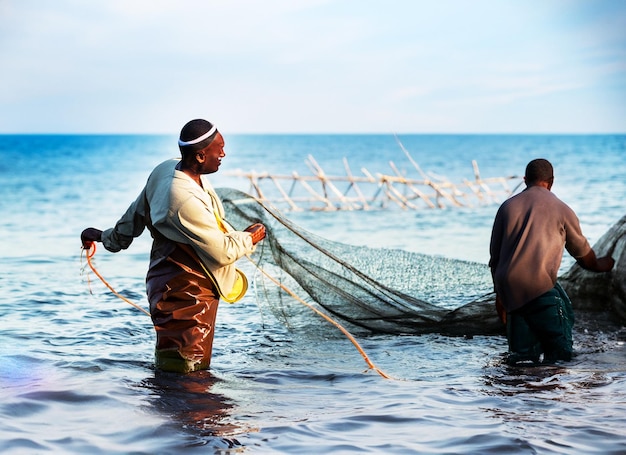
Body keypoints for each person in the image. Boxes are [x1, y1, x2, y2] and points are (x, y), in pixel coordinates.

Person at [81, 119, 266, 373]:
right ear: (201, 155)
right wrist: (249, 237)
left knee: (172, 373)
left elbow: (135, 215)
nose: (223, 154)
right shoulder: (182, 199)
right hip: (188, 294)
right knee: (190, 373)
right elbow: (223, 253)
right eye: (219, 149)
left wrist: (107, 238)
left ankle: (165, 408)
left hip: (168, 282)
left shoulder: (166, 169)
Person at [489, 158, 614, 365]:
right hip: (539, 289)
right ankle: (550, 393)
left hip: (510, 292)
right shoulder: (561, 209)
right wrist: (604, 264)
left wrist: (500, 296)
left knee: (521, 360)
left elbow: (495, 258)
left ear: (525, 180)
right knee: (561, 356)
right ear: (551, 181)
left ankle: (517, 395)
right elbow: (584, 257)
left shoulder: (506, 207)